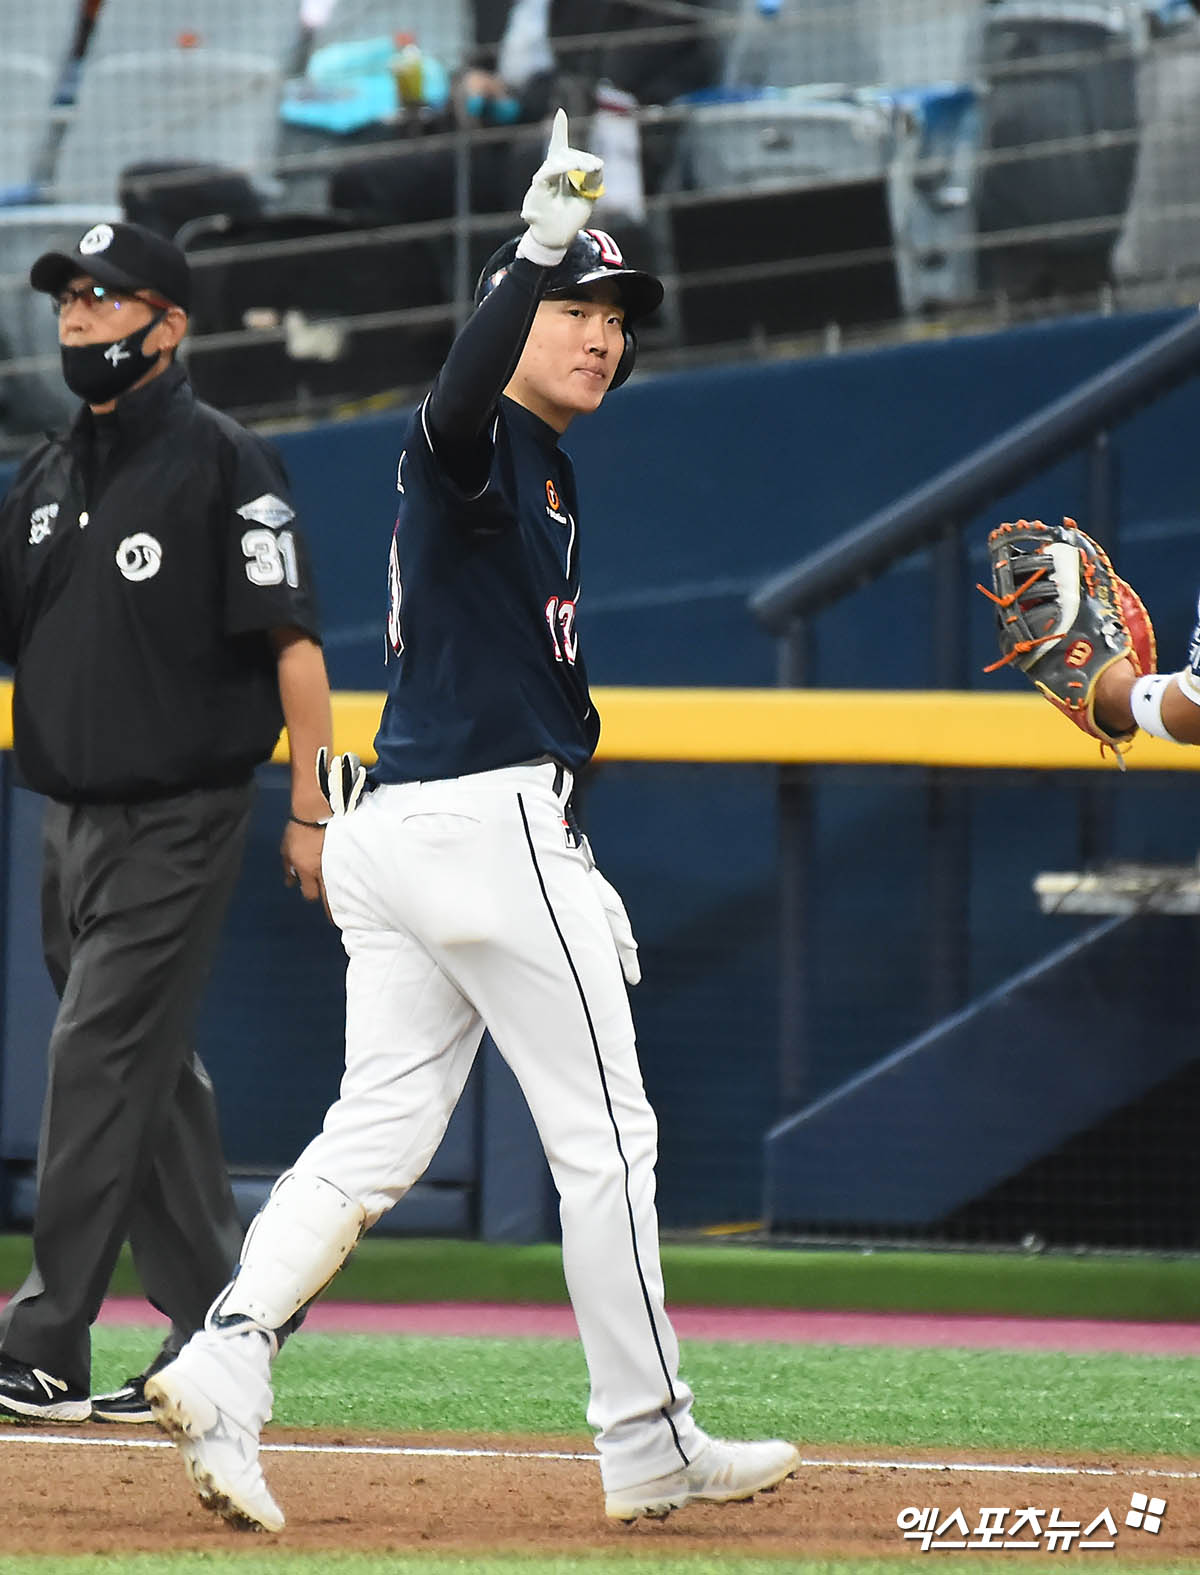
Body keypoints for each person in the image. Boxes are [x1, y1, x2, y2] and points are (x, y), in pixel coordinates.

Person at [145, 111, 800, 1532]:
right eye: (576, 309)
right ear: (516, 318)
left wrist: (548, 266)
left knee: (373, 1136)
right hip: (484, 823)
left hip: (408, 829)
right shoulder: (480, 435)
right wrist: (530, 249)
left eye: (616, 318)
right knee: (608, 1140)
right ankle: (649, 1441)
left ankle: (226, 1358)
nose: (602, 335)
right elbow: (449, 400)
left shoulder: (540, 464)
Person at [0, 221, 332, 1426]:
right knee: (148, 1076)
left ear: (169, 325)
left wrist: (312, 807)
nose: (78, 317)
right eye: (67, 299)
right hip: (68, 824)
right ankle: (220, 1329)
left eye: (105, 297)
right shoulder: (45, 476)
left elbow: (295, 644)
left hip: (182, 815)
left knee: (95, 1058)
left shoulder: (225, 460)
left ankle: (44, 1346)